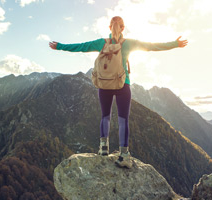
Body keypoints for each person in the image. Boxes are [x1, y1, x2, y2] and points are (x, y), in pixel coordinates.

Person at [49, 16, 188, 169]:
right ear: (123, 28)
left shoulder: (102, 43)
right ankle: (124, 155)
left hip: (104, 84)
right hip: (123, 85)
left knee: (105, 116)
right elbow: (151, 46)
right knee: (123, 120)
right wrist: (175, 44)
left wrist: (59, 46)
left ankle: (103, 148)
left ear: (109, 28)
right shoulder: (128, 43)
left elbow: (81, 46)